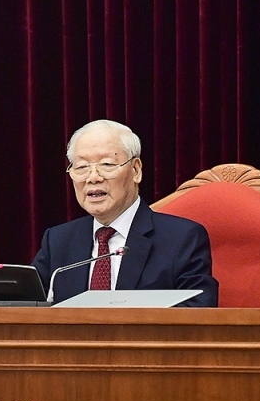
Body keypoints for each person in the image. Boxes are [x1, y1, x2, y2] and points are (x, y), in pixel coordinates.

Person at [32, 119, 219, 306]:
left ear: (136, 170)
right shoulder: (58, 241)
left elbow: (198, 313)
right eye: (81, 167)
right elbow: (23, 307)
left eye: (106, 164)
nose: (93, 177)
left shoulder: (182, 239)